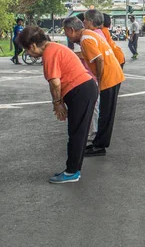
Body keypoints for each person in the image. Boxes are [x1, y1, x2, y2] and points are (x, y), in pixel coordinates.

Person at [18, 27, 98, 183]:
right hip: (84, 89)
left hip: (80, 90)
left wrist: (57, 104)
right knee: (78, 132)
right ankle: (74, 170)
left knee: (76, 133)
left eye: (26, 50)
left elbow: (55, 83)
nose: (28, 54)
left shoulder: (49, 53)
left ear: (33, 46)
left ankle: (72, 172)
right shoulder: (54, 47)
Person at [63, 16, 125, 157]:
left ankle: (100, 146)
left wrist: (99, 78)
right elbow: (89, 55)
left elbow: (99, 59)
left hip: (109, 77)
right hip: (112, 74)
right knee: (105, 113)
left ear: (71, 30)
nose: (66, 35)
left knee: (105, 114)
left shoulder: (86, 40)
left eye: (65, 32)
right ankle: (99, 143)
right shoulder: (89, 34)